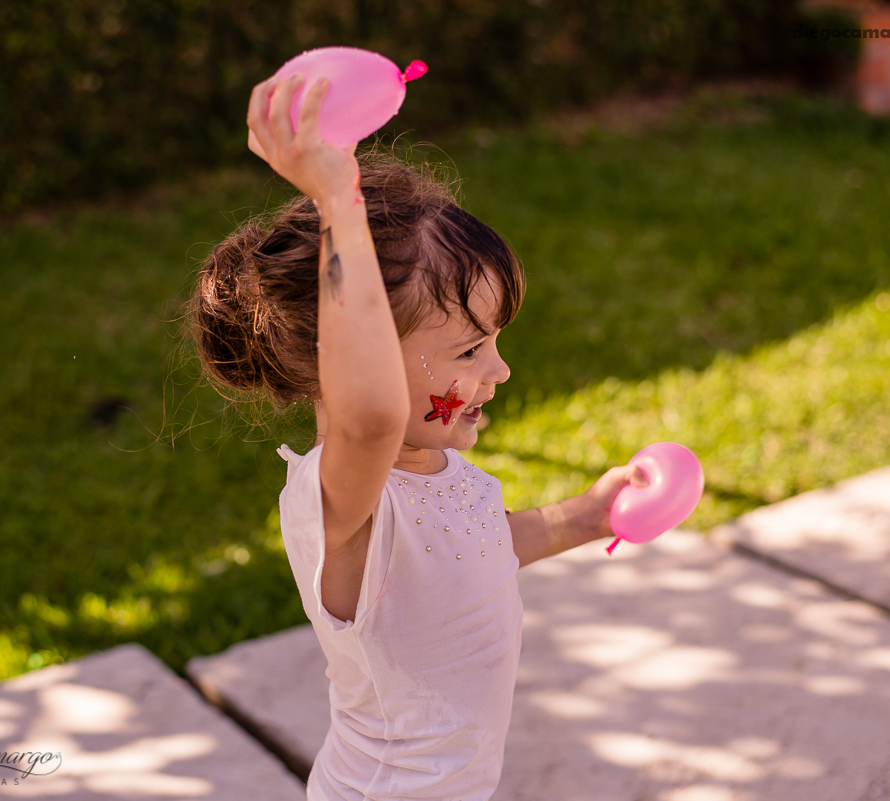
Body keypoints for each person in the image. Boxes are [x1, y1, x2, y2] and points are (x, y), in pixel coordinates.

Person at [188, 72, 647, 800]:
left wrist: (583, 517)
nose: (498, 369)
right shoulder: (340, 502)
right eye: (468, 350)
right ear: (350, 364)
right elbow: (367, 416)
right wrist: (338, 201)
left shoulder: (429, 466)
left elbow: (468, 551)